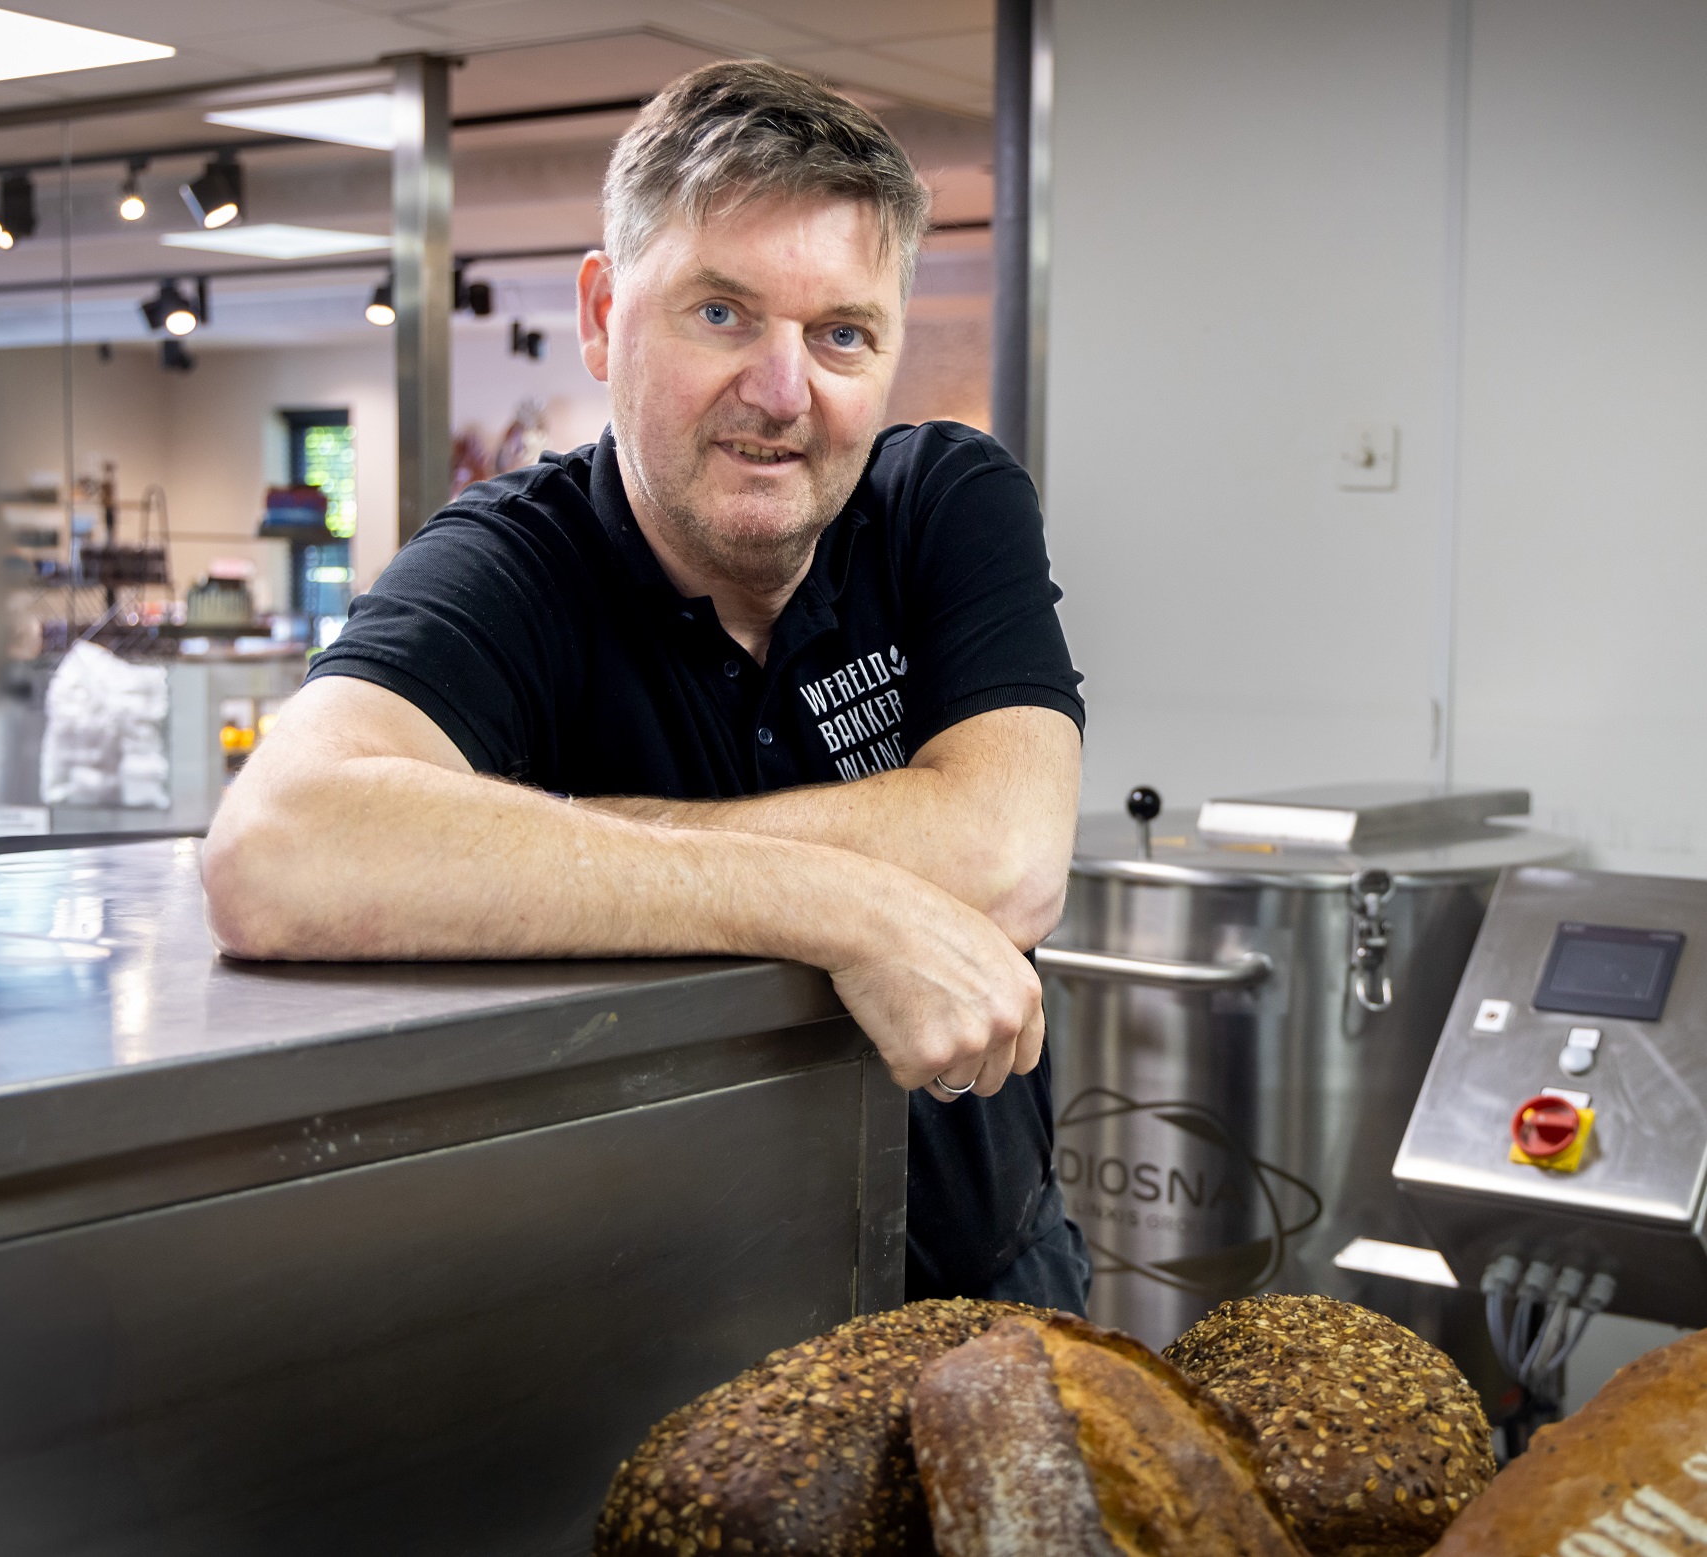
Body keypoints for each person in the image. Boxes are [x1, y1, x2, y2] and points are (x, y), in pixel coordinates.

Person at [201, 61, 1089, 1310]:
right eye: (720, 313)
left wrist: (581, 852)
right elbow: (276, 854)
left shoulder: (939, 504)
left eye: (840, 333)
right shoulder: (511, 562)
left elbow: (1004, 857)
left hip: (992, 1280)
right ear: (604, 311)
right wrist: (841, 904)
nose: (783, 394)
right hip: (663, 1334)